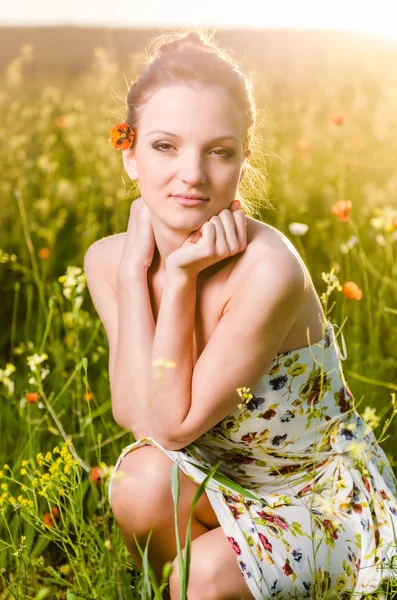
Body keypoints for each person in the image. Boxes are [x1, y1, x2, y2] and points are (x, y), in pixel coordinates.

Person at [84, 30, 397, 600]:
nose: (192, 174)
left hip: (319, 504)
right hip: (222, 486)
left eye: (219, 151)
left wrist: (177, 279)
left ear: (242, 161)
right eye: (165, 146)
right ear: (129, 154)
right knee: (137, 480)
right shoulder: (110, 261)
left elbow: (175, 427)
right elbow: (139, 418)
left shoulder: (267, 268)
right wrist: (137, 274)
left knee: (199, 573)